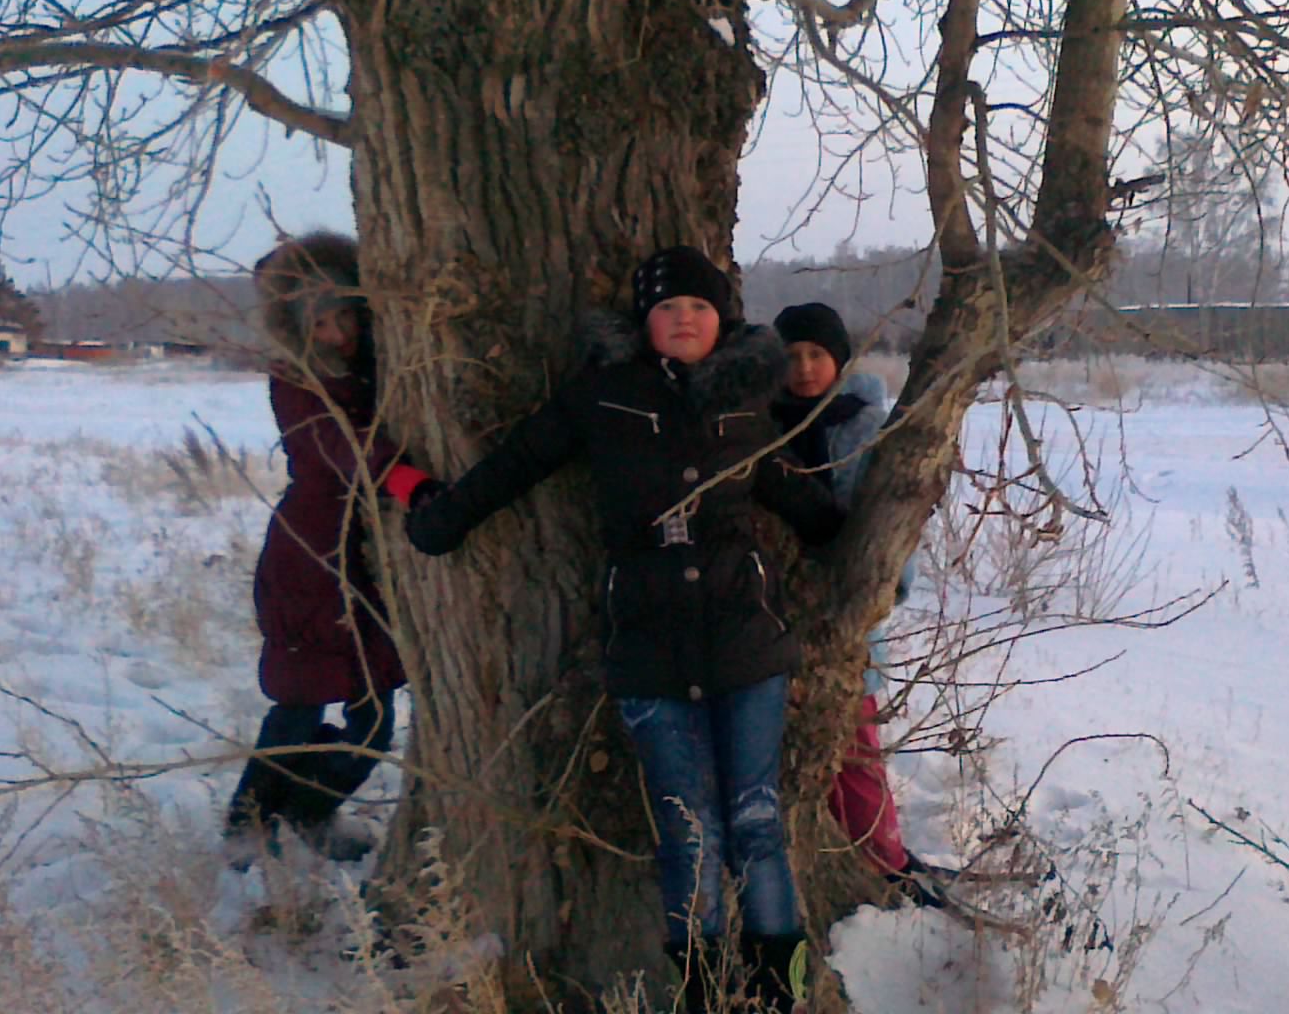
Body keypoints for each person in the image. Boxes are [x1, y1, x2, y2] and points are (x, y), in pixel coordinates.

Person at [392, 246, 842, 1012]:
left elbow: (796, 496)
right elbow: (516, 463)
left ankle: (776, 994)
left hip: (746, 644)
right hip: (649, 648)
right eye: (669, 309)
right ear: (646, 323)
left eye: (699, 307)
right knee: (687, 830)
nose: (685, 320)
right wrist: (441, 517)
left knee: (756, 821)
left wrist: (869, 527)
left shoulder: (744, 402)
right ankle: (699, 992)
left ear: (721, 318)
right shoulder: (602, 397)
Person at [224, 231, 416, 864]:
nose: (339, 334)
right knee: (300, 708)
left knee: (374, 724)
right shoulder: (296, 379)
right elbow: (345, 449)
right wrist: (414, 484)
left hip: (367, 560)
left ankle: (310, 810)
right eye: (323, 324)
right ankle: (244, 829)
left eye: (345, 315)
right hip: (313, 558)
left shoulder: (378, 363)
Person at [770, 301, 948, 911]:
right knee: (803, 757)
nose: (803, 368)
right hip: (776, 620)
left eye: (816, 355)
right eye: (791, 356)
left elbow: (894, 518)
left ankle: (885, 863)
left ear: (839, 360)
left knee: (857, 753)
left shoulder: (865, 425)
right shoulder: (764, 426)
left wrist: (886, 586)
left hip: (846, 621)